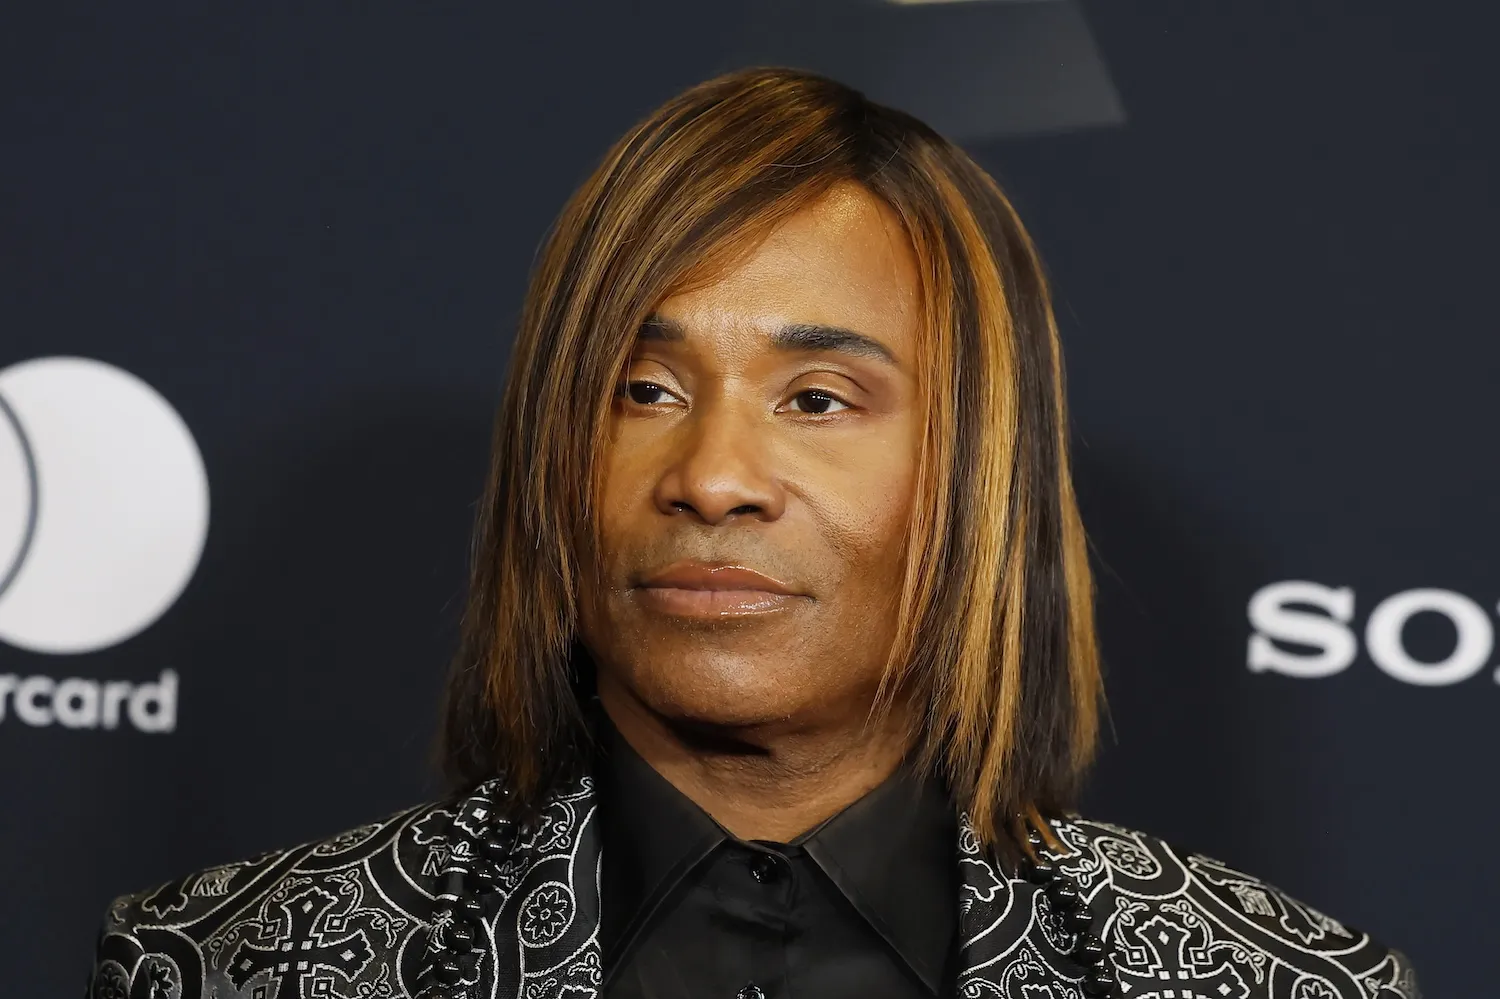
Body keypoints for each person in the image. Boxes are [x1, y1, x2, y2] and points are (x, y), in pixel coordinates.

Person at [84, 67, 1419, 999]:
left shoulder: (1277, 984)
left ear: (973, 470)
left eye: (818, 399)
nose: (713, 478)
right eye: (643, 390)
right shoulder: (229, 965)